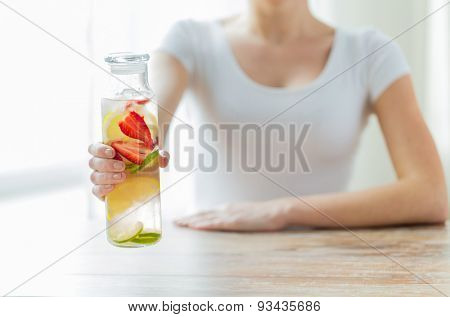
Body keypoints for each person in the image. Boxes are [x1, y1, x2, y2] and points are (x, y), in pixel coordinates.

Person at [88, 0, 448, 231]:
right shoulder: (190, 39)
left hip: (326, 259)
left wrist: (280, 211)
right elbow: (145, 129)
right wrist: (119, 162)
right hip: (214, 256)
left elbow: (430, 195)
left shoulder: (371, 52)